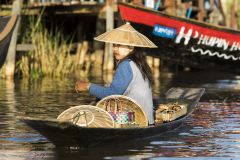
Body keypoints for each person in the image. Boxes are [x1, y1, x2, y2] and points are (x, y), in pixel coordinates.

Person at [75, 22, 157, 124]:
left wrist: (88, 86)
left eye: (118, 45)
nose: (114, 49)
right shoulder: (138, 63)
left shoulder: (126, 65)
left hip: (135, 119)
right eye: (114, 45)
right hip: (147, 118)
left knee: (96, 115)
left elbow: (112, 94)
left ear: (130, 47)